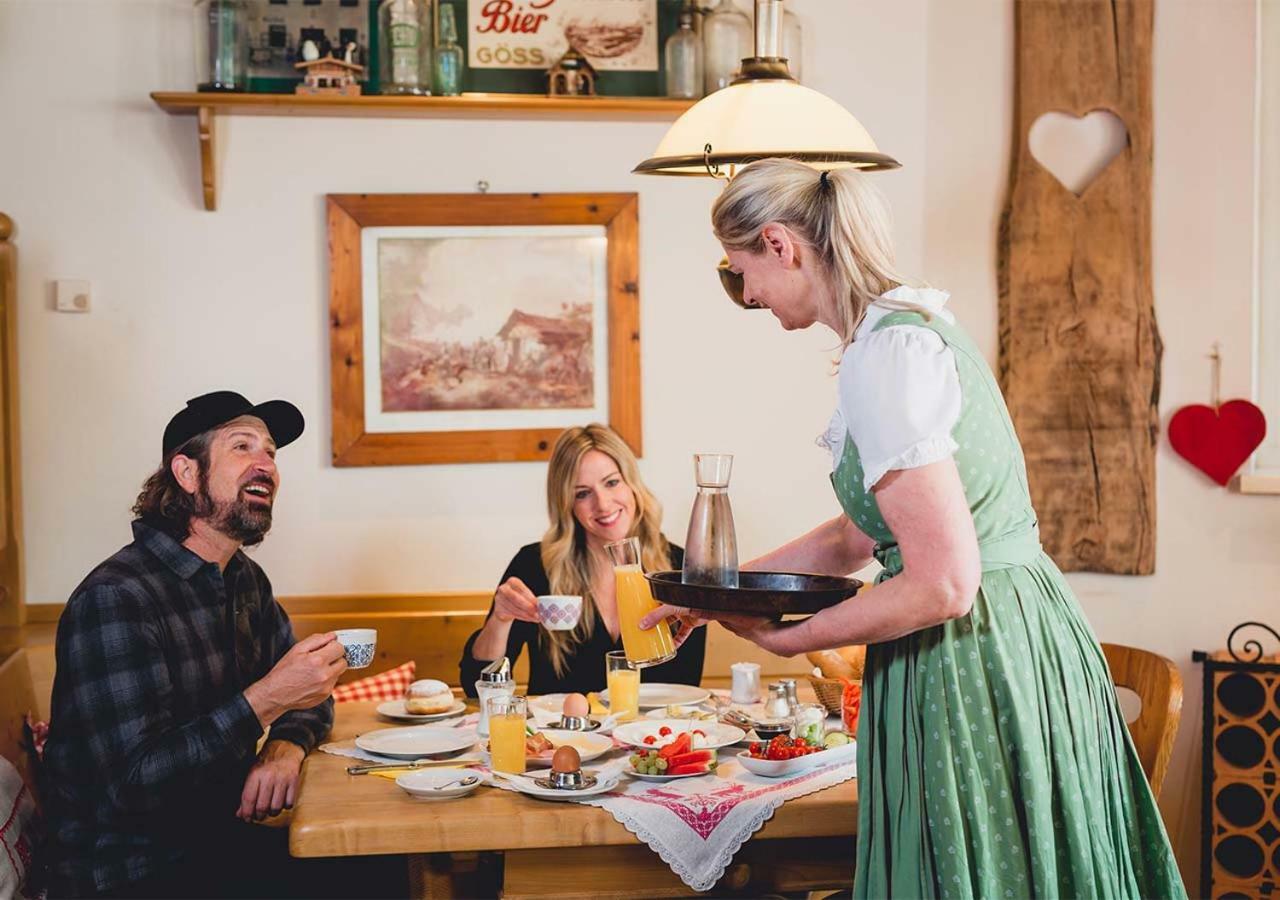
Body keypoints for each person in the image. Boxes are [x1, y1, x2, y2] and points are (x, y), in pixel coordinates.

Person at [642, 159, 1186, 899]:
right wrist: (714, 593)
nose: (749, 294)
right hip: (1005, 630)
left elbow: (944, 583)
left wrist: (788, 638)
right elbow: (853, 540)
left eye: (742, 271)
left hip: (972, 655)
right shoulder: (899, 334)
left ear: (779, 244)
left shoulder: (890, 356)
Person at [43, 391, 347, 899]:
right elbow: (132, 786)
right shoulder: (116, 597)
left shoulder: (245, 579)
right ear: (186, 474)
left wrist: (284, 748)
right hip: (129, 872)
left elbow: (310, 695)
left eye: (270, 452)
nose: (266, 464)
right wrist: (268, 698)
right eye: (242, 446)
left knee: (380, 865)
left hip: (213, 843)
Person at [461, 423, 705, 696]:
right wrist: (500, 619)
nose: (602, 504)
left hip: (652, 735)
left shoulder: (679, 568)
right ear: (566, 504)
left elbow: (686, 689)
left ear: (632, 484)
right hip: (562, 736)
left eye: (612, 482)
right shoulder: (535, 565)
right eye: (582, 493)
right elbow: (473, 685)